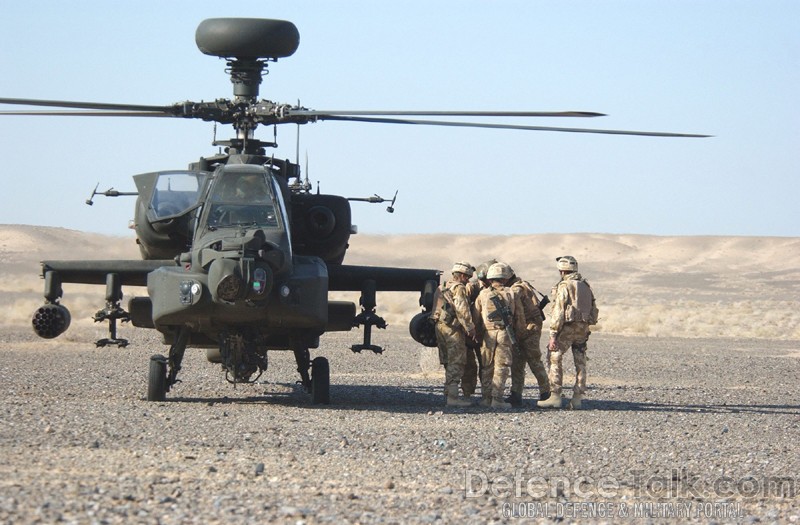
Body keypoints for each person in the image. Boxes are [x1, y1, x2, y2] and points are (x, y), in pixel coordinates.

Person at [539, 256, 599, 409]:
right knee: (580, 362)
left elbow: (558, 311)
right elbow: (594, 310)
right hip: (583, 329)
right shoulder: (585, 286)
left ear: (563, 270)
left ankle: (555, 395)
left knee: (554, 356)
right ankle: (578, 397)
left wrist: (553, 335)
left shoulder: (564, 286)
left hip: (567, 328)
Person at [473, 262, 526, 409]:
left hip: (487, 335)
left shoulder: (482, 294)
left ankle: (486, 398)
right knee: (501, 367)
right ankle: (497, 400)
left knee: (486, 366)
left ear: (490, 278)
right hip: (504, 333)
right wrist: (520, 334)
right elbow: (519, 317)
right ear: (504, 278)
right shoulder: (510, 293)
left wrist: (476, 333)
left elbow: (475, 317)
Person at [433, 262, 477, 407]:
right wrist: (470, 328)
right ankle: (453, 398)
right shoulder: (458, 288)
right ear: (463, 276)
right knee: (457, 361)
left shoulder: (443, 286)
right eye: (468, 277)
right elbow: (462, 310)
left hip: (440, 327)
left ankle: (448, 393)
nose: (468, 280)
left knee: (447, 360)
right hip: (453, 329)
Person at [506, 266, 551, 407]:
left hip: (527, 327)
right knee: (518, 362)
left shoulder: (516, 290)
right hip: (530, 326)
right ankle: (516, 394)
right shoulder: (522, 284)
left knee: (533, 360)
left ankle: (546, 394)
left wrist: (518, 333)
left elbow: (519, 314)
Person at [461, 259, 496, 400]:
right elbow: (462, 308)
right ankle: (467, 393)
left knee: (486, 364)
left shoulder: (494, 290)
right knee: (469, 365)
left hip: (486, 333)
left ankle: (487, 394)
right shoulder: (472, 287)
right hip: (470, 332)